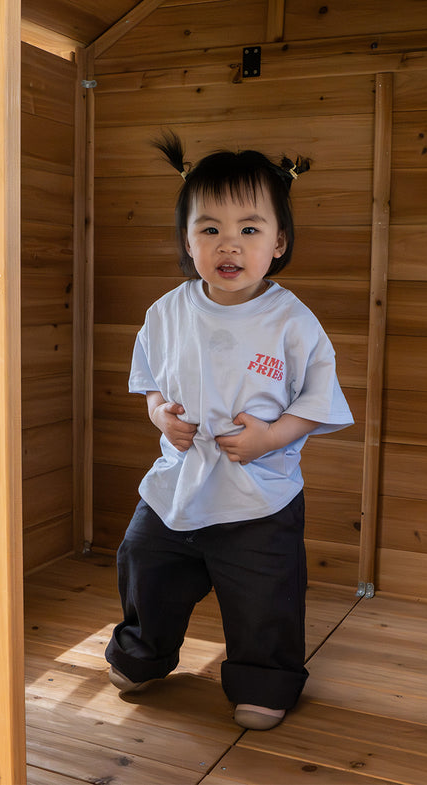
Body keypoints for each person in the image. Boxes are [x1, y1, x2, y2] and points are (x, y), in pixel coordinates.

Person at [104, 130, 354, 731]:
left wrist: (272, 437)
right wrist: (162, 415)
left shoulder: (292, 322)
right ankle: (143, 651)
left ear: (279, 241)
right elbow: (150, 385)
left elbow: (317, 402)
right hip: (178, 484)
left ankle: (265, 680)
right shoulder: (167, 312)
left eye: (249, 228)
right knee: (143, 561)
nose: (228, 245)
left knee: (265, 596)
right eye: (209, 228)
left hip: (257, 495)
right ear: (187, 240)